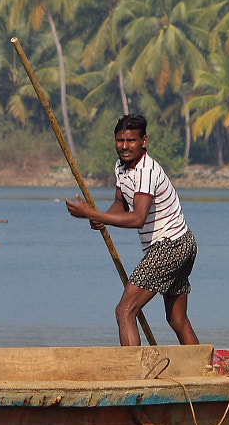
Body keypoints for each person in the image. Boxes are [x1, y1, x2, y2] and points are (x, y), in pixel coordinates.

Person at [65, 113, 199, 346]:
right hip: (181, 243)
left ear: (144, 141)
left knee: (125, 310)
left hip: (172, 246)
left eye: (131, 141)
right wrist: (102, 219)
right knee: (177, 319)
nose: (125, 146)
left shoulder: (146, 171)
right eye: (120, 140)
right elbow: (120, 204)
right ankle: (201, 369)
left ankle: (135, 374)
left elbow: (137, 217)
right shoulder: (121, 167)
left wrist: (92, 213)